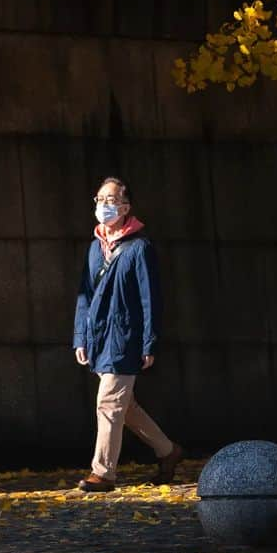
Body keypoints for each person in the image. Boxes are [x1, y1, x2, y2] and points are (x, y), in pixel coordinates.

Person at [72, 176, 183, 492]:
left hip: (126, 338)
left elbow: (151, 298)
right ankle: (167, 450)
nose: (103, 206)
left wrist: (149, 341)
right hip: (99, 338)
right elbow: (85, 294)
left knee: (108, 401)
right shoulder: (96, 247)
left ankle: (103, 473)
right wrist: (80, 335)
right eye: (99, 199)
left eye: (110, 200)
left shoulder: (139, 247)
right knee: (125, 406)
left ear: (125, 207)